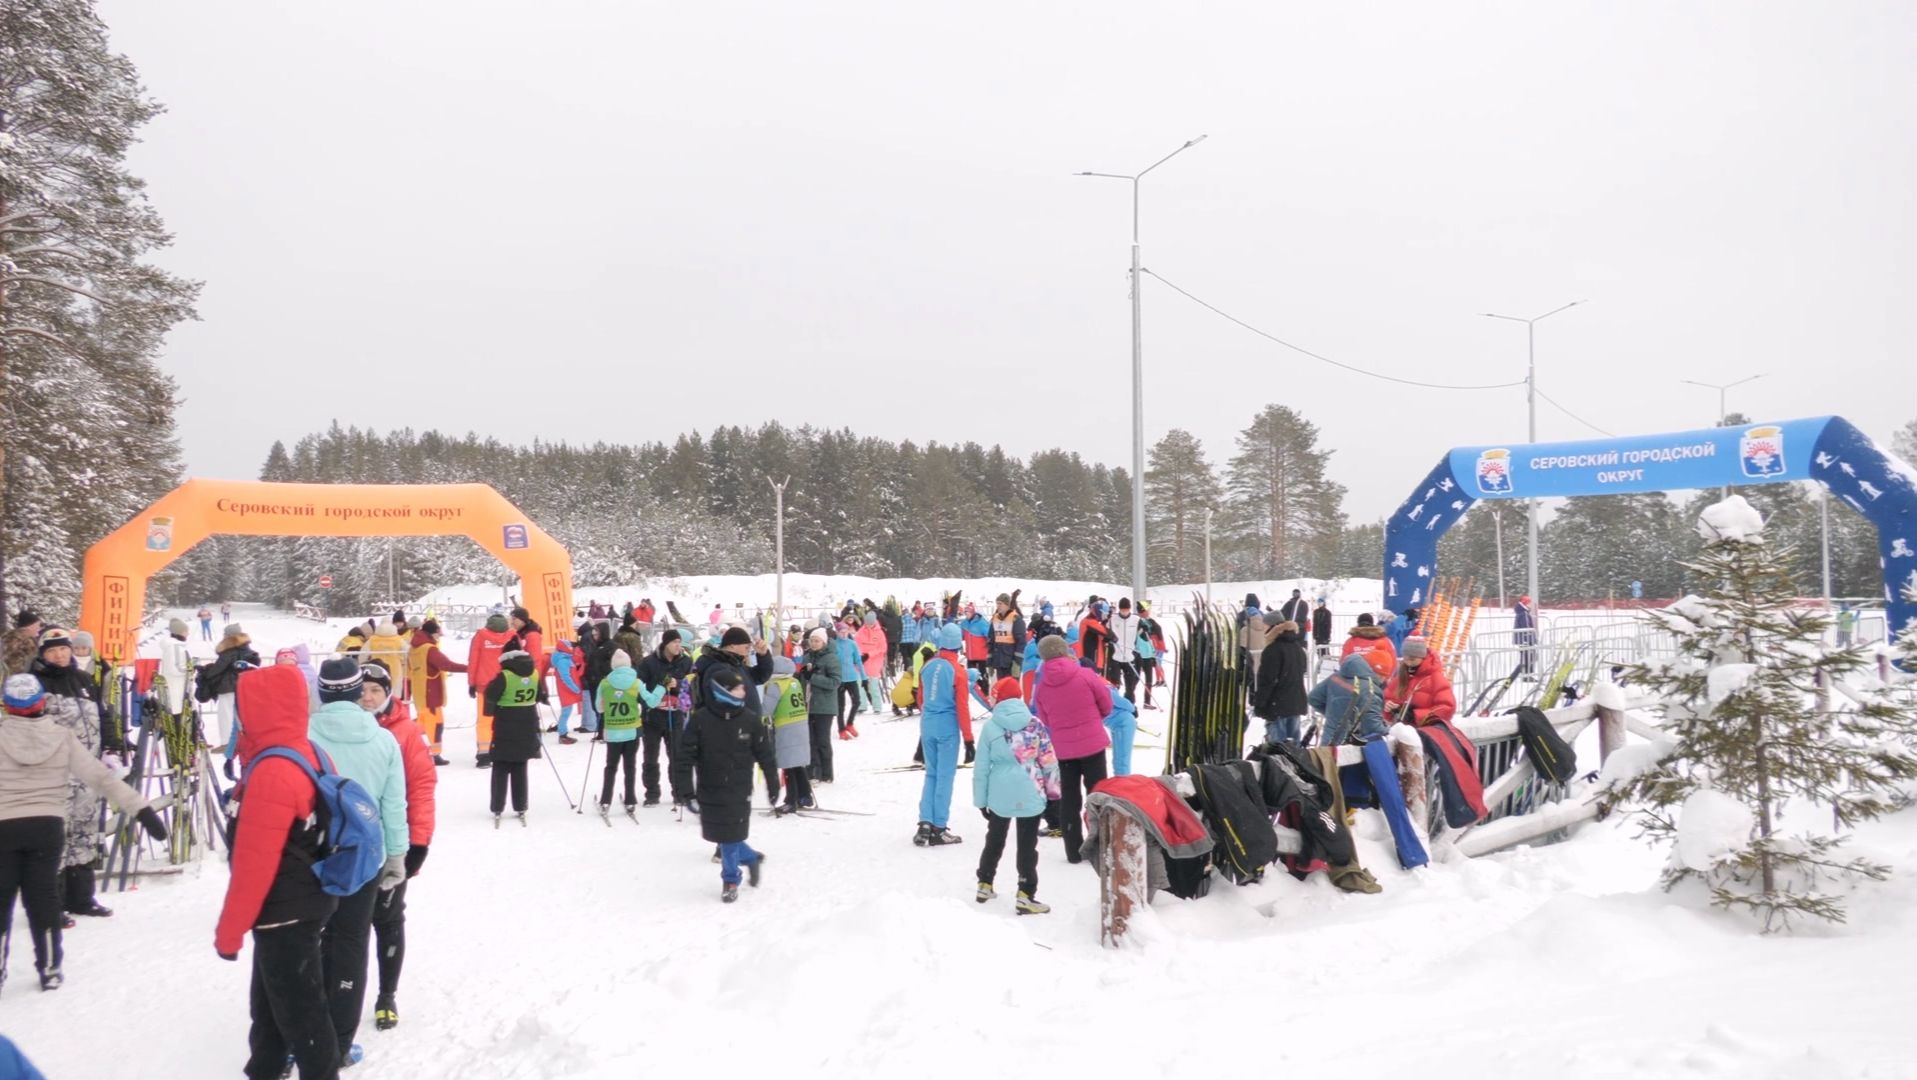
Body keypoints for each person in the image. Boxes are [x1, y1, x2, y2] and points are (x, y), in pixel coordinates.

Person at [214, 665, 342, 1078]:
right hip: (307, 895)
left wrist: (229, 933)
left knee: (301, 1011)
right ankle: (265, 1068)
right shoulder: (307, 749)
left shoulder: (272, 772)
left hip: (284, 909)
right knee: (271, 1000)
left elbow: (254, 867)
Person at [2, 674, 164, 993]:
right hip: (46, 828)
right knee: (43, 898)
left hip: (4, 828)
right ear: (40, 703)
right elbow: (100, 778)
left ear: (7, 706)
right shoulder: (61, 737)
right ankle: (50, 967)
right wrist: (142, 810)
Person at [309, 659, 408, 1068]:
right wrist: (397, 856)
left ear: (321, 692)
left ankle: (305, 1032)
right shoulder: (383, 741)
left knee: (311, 942)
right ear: (355, 692)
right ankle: (340, 1040)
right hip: (363, 856)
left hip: (312, 855)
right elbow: (392, 805)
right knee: (350, 941)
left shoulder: (303, 735)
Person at [359, 663, 434, 1034]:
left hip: (392, 842)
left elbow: (420, 787)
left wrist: (418, 842)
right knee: (342, 926)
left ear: (388, 693)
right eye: (362, 690)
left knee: (387, 919)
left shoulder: (405, 731)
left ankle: (386, 994)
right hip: (352, 846)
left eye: (375, 690)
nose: (367, 697)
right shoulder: (346, 730)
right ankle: (342, 993)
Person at [29, 628, 123, 917]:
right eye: (52, 650)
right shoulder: (33, 684)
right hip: (52, 774)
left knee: (84, 832)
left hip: (86, 773)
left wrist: (112, 748)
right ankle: (50, 904)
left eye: (63, 649)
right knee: (54, 837)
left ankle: (81, 898)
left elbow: (104, 716)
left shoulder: (83, 681)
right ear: (42, 654)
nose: (59, 655)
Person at [671, 666, 778, 903]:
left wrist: (773, 783)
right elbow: (684, 757)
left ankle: (730, 879)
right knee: (722, 834)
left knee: (728, 836)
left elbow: (765, 755)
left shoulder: (750, 720)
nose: (744, 691)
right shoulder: (701, 720)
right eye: (739, 687)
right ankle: (749, 857)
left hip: (739, 788)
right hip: (709, 787)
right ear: (724, 692)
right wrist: (686, 791)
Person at [972, 677, 1059, 915]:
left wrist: (981, 801)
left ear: (997, 698)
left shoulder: (991, 727)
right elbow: (1049, 761)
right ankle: (1025, 892)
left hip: (1000, 792)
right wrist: (1054, 795)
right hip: (1030, 788)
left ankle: (985, 883)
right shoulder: (1035, 724)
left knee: (995, 839)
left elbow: (980, 768)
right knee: (1027, 844)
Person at [1029, 633, 1111, 863]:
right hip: (1093, 745)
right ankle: (1102, 845)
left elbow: (1044, 718)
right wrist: (1094, 720)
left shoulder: (1043, 686)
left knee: (1069, 799)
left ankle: (1073, 850)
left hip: (1064, 750)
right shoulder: (1085, 675)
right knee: (1098, 795)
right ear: (1065, 651)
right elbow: (1106, 703)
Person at [914, 624, 973, 847]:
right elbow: (962, 707)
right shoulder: (958, 671)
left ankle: (925, 823)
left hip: (928, 724)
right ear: (958, 644)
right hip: (947, 727)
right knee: (945, 777)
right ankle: (939, 827)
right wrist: (969, 739)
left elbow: (921, 699)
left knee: (931, 774)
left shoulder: (928, 666)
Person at [482, 650, 545, 824]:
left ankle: (497, 805)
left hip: (505, 723)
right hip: (527, 722)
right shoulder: (534, 674)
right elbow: (539, 695)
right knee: (520, 765)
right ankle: (521, 805)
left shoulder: (505, 676)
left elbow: (490, 694)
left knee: (501, 766)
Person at [596, 650, 662, 813]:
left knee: (610, 766)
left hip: (612, 731)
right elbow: (652, 702)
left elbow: (599, 707)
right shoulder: (636, 683)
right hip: (632, 730)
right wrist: (661, 688)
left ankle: (606, 800)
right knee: (630, 766)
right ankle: (630, 800)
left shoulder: (604, 683)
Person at [634, 631, 693, 806]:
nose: (678, 646)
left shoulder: (686, 661)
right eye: (674, 642)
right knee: (650, 757)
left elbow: (694, 684)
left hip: (675, 715)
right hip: (652, 717)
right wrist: (651, 699)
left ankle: (679, 792)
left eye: (679, 642)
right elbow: (638, 688)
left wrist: (679, 683)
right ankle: (652, 793)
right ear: (665, 643)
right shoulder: (648, 662)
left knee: (676, 755)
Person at [406, 620, 466, 766]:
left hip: (421, 691)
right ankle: (433, 754)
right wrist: (469, 668)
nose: (439, 635)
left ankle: (411, 748)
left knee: (423, 724)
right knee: (435, 725)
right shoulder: (429, 649)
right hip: (431, 693)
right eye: (438, 632)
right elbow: (446, 665)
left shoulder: (414, 646)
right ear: (432, 633)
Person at [197, 624, 260, 759]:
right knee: (240, 715)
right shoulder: (247, 649)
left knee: (225, 715)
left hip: (228, 687)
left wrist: (205, 671)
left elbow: (218, 669)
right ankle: (242, 741)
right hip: (243, 686)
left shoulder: (229, 651)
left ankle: (227, 743)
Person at [466, 613, 516, 767]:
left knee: (484, 720)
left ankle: (484, 754)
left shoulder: (480, 636)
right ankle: (504, 749)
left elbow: (473, 660)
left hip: (485, 685)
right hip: (507, 683)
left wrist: (471, 683)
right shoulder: (512, 635)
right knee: (505, 719)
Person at [1308, 651, 1389, 746]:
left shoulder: (1336, 676)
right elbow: (1372, 727)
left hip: (1328, 742)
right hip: (1351, 748)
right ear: (1379, 674)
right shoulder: (1371, 690)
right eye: (1386, 676)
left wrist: (1333, 716)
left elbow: (1313, 698)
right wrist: (1391, 732)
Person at [1254, 620, 1311, 745]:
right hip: (1295, 702)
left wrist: (1260, 703)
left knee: (1277, 748)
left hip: (1277, 705)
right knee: (1294, 747)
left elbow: (1267, 680)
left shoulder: (1273, 650)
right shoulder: (1298, 649)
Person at [798, 629, 841, 784]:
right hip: (808, 704)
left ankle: (826, 773)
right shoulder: (807, 656)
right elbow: (804, 680)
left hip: (824, 706)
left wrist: (814, 677)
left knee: (822, 740)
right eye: (812, 640)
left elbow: (835, 682)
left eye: (817, 641)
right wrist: (800, 677)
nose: (814, 644)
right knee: (810, 740)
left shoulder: (831, 658)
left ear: (824, 642)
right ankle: (813, 772)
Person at [1383, 638, 1456, 727]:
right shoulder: (1400, 678)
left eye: (1412, 659)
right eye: (1405, 659)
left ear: (1423, 658)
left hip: (1427, 732)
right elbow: (1387, 698)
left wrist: (1416, 715)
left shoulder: (1435, 678)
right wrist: (1389, 707)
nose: (1408, 663)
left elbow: (1447, 707)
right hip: (1403, 732)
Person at [363, 620, 410, 701]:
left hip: (376, 668)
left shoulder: (372, 639)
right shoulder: (398, 639)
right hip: (395, 668)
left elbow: (363, 654)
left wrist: (362, 665)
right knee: (395, 693)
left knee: (378, 688)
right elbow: (408, 652)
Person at [550, 633, 584, 744]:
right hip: (566, 690)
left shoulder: (565, 658)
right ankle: (562, 734)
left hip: (567, 690)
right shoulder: (563, 661)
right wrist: (575, 688)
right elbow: (565, 677)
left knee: (566, 712)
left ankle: (563, 733)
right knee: (566, 712)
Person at [833, 621, 864, 739]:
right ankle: (841, 729)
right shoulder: (834, 645)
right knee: (840, 706)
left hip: (851, 677)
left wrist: (864, 677)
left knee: (857, 701)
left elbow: (858, 660)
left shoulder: (852, 644)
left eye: (846, 632)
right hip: (839, 679)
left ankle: (850, 723)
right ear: (837, 632)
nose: (844, 634)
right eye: (842, 632)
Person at [986, 592, 1026, 683]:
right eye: (997, 603)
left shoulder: (1016, 619)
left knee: (1011, 689)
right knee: (1001, 690)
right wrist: (989, 662)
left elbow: (1021, 642)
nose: (998, 606)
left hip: (1011, 662)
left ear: (1007, 604)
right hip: (999, 662)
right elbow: (990, 641)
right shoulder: (994, 619)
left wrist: (1017, 663)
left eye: (1000, 604)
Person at [854, 613, 889, 713]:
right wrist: (860, 655)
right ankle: (862, 706)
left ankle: (877, 707)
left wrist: (869, 654)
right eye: (867, 623)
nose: (868, 625)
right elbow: (856, 645)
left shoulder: (880, 633)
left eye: (870, 623)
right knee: (860, 685)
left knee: (874, 686)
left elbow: (883, 648)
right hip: (862, 662)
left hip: (874, 663)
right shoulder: (861, 631)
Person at [159, 617, 192, 719]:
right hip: (177, 691)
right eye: (186, 631)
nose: (188, 634)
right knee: (177, 719)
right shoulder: (175, 647)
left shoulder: (174, 646)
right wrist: (190, 669)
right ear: (180, 632)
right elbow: (176, 668)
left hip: (175, 689)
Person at [1109, 598, 1141, 703]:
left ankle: (1130, 705)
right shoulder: (1112, 619)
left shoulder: (1136, 620)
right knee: (1114, 685)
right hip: (1115, 657)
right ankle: (1115, 705)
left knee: (1130, 687)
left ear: (1129, 608)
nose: (1124, 612)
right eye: (1122, 609)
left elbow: (1143, 633)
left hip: (1129, 657)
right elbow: (1104, 631)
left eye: (1126, 609)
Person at [1103, 685, 1137, 777]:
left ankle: (1122, 783)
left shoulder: (1104, 688)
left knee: (1122, 758)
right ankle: (1120, 781)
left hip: (1124, 723)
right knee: (1118, 758)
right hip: (1117, 724)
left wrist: (1132, 708)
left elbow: (1121, 702)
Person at [1137, 602, 1167, 690]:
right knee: (1156, 665)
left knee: (1158, 664)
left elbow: (1159, 634)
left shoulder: (1151, 622)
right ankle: (1159, 680)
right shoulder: (1144, 621)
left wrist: (1162, 647)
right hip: (1151, 647)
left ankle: (1162, 680)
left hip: (1156, 646)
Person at [1512, 595, 1537, 675]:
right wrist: (1530, 639)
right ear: (1525, 603)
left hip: (1522, 639)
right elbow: (1526, 627)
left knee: (1525, 656)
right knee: (1528, 657)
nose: (1530, 605)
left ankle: (1525, 672)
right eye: (1529, 603)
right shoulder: (1524, 614)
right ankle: (1528, 674)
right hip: (1526, 640)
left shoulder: (1521, 612)